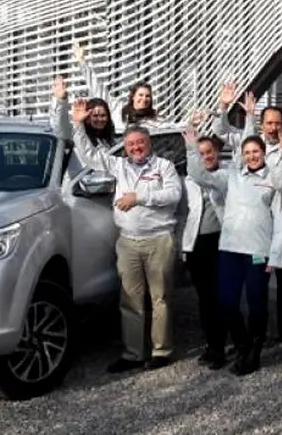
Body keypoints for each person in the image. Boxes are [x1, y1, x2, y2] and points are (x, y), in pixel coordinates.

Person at [71, 98, 182, 373]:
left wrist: (139, 197)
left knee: (160, 298)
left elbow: (173, 196)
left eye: (139, 143)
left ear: (148, 144)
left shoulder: (164, 167)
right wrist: (77, 124)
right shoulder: (119, 166)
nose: (135, 148)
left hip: (159, 239)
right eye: (130, 145)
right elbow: (88, 156)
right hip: (128, 242)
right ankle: (132, 353)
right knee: (130, 300)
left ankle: (160, 351)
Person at [186, 127, 282, 375]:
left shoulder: (273, 180)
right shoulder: (231, 176)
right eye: (247, 152)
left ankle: (254, 350)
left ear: (264, 153)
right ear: (241, 155)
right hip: (230, 249)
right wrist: (192, 149)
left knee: (256, 302)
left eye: (256, 152)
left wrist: (276, 255)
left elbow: (281, 220)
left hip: (258, 251)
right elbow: (201, 176)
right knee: (226, 302)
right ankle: (243, 344)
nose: (252, 156)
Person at [212, 84, 282, 350]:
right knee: (256, 287)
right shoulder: (250, 146)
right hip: (252, 228)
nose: (273, 127)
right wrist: (225, 108)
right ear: (262, 124)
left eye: (277, 122)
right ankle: (258, 336)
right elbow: (221, 132)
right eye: (269, 122)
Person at [180, 130, 226, 370]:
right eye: (201, 153)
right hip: (197, 244)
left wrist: (190, 149)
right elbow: (183, 215)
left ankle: (222, 346)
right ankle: (213, 344)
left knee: (220, 297)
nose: (206, 156)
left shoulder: (225, 175)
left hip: (220, 242)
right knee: (205, 298)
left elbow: (200, 174)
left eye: (209, 152)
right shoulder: (188, 181)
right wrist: (183, 247)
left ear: (217, 153)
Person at [72, 42, 164, 130]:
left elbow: (171, 130)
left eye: (147, 96)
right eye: (140, 95)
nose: (144, 99)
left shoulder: (155, 120)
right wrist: (82, 61)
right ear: (133, 97)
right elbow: (98, 89)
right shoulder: (118, 110)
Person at [51, 76, 115, 147]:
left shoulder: (111, 138)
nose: (99, 119)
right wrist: (61, 101)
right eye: (95, 116)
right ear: (87, 118)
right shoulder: (79, 135)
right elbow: (61, 130)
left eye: (103, 115)